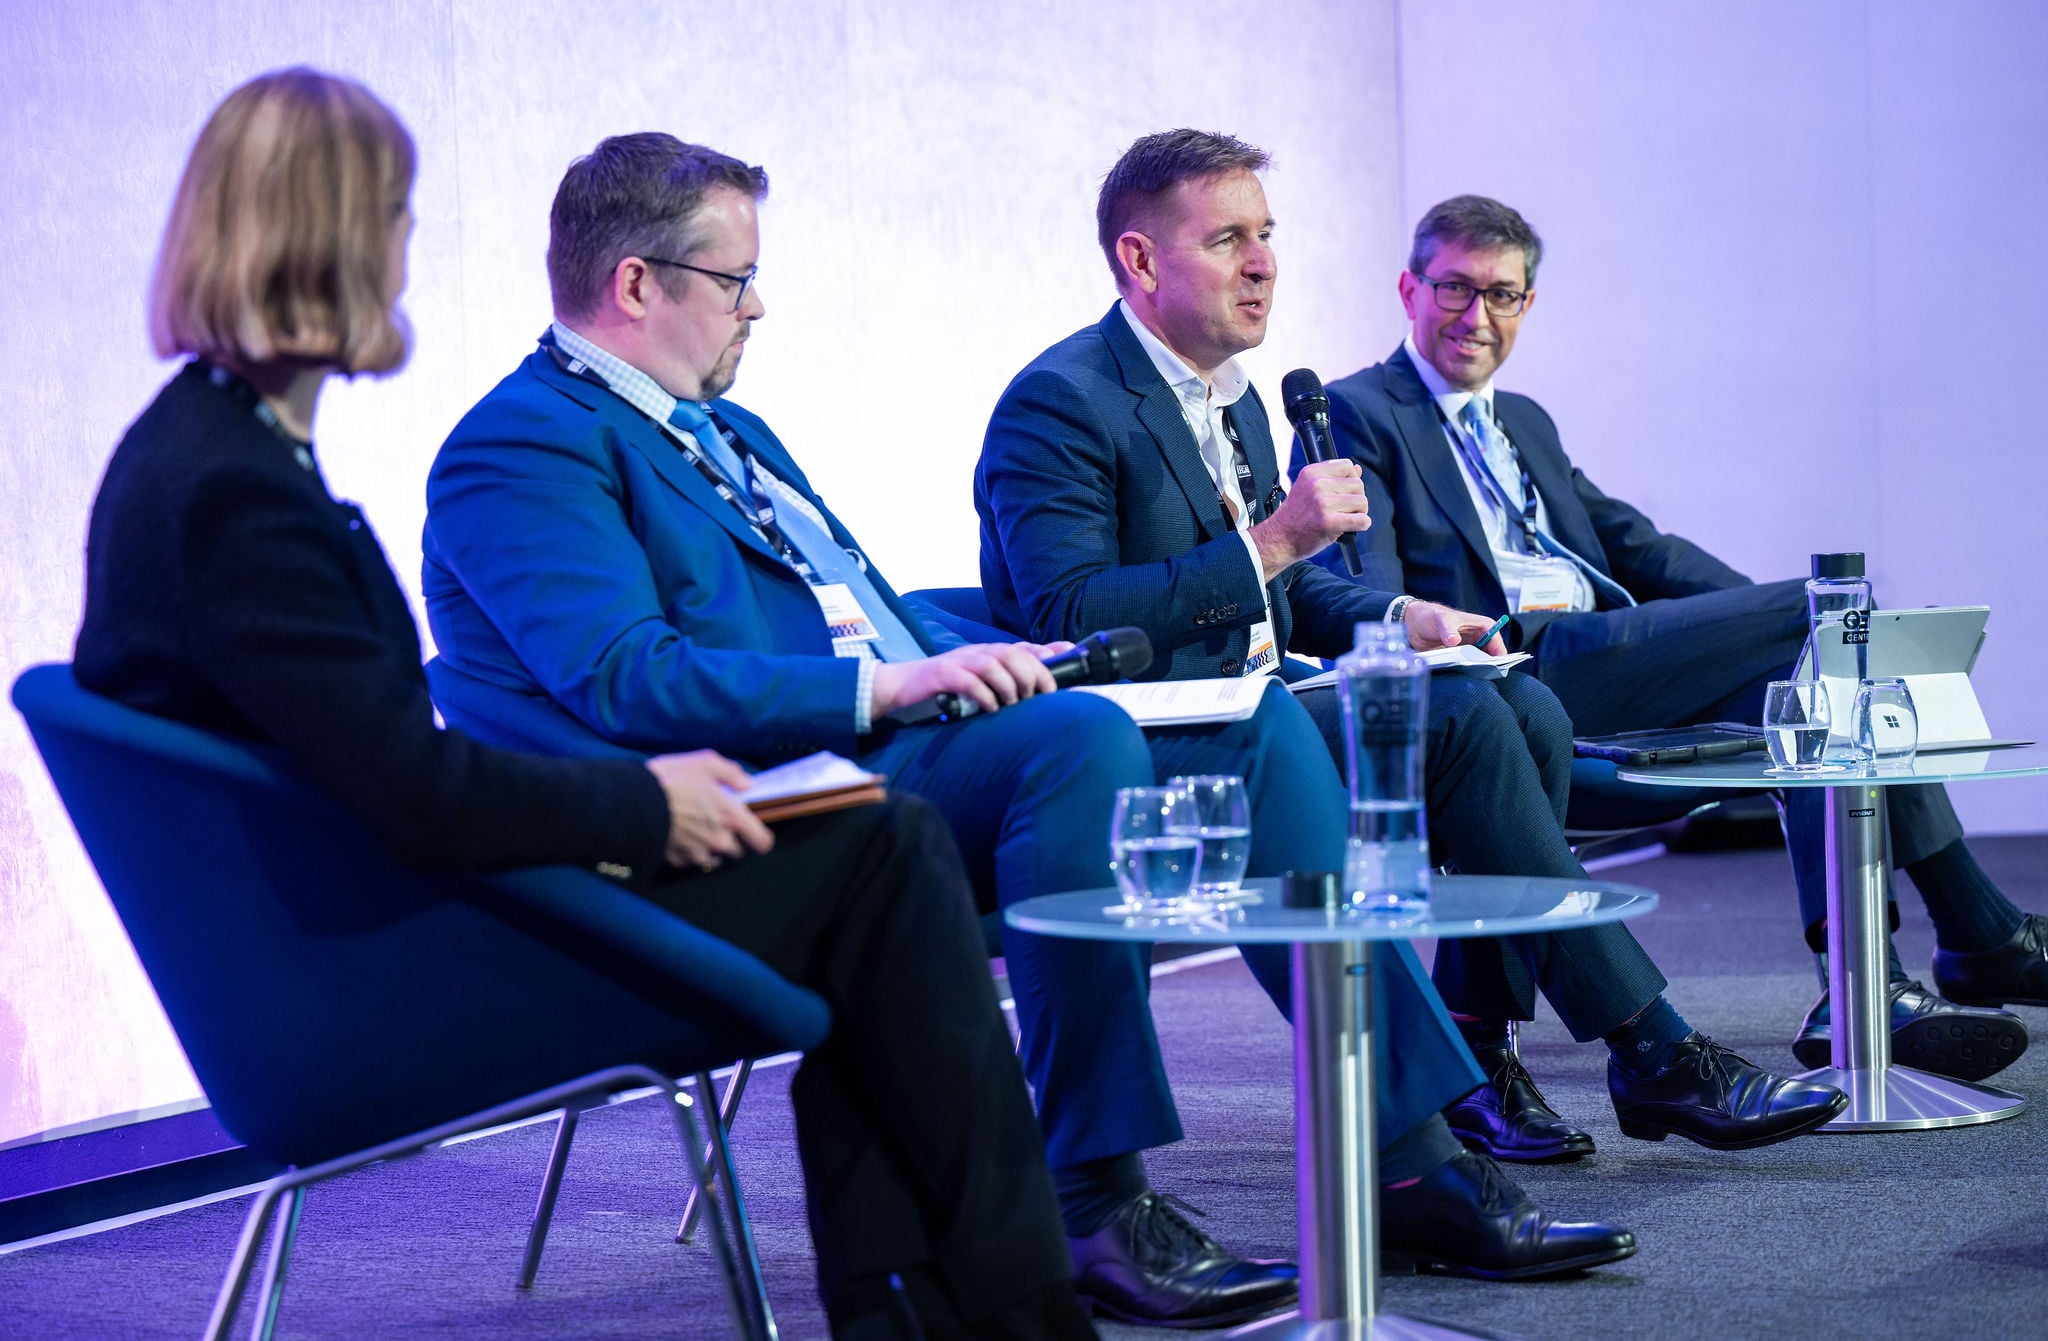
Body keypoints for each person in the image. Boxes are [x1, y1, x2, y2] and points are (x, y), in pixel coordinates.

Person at [417, 131, 1636, 1313]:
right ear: (636, 284)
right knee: (1077, 739)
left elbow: (864, 606)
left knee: (1256, 729)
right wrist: (888, 690)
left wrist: (972, 656)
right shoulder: (522, 447)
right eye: (736, 280)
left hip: (865, 752)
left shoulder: (727, 429)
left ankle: (1408, 1157)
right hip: (728, 805)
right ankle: (1091, 1197)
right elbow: (626, 680)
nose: (756, 306)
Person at [71, 69, 1094, 1341]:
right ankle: (1006, 1313)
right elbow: (413, 793)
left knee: (869, 849)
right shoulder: (233, 498)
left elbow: (379, 764)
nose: (403, 253)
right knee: (877, 851)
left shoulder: (212, 455)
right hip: (378, 973)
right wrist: (647, 803)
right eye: (393, 217)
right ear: (329, 238)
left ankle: (940, 1310)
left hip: (357, 932)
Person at [975, 129, 1848, 1172]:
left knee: (1517, 703)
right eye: (1227, 240)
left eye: (1266, 235)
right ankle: (1647, 1049)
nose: (1263, 264)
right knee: (1465, 716)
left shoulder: (1234, 396)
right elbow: (1069, 610)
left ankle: (1496, 1050)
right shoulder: (1061, 400)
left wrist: (1399, 619)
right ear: (1141, 258)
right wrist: (1276, 538)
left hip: (1266, 698)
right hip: (1166, 732)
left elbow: (1286, 593)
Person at [1304, 193, 2034, 1076]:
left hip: (1610, 660)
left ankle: (1862, 986)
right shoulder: (1359, 410)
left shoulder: (1523, 420)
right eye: (1455, 288)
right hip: (1511, 670)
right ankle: (1979, 932)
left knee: (1813, 679)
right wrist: (1796, 615)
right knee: (1822, 618)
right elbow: (1367, 593)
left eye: (1502, 294)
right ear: (1409, 289)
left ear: (1528, 304)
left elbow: (1639, 546)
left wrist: (1777, 628)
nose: (1477, 316)